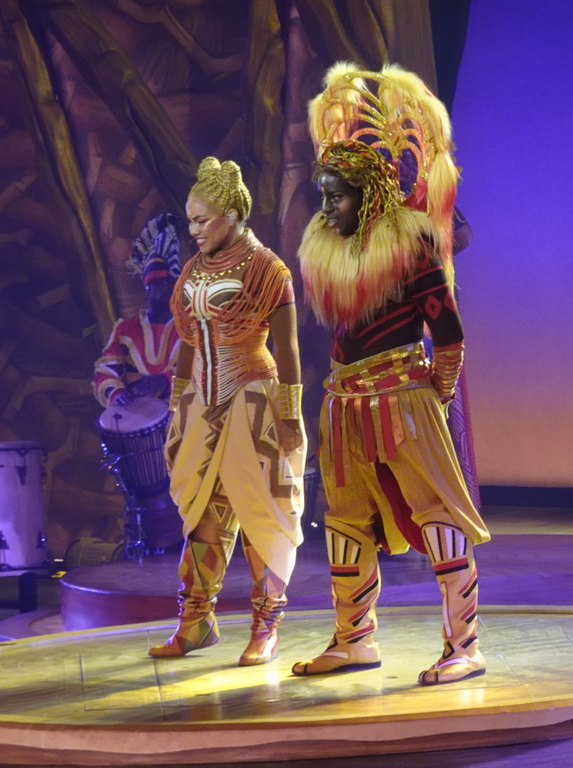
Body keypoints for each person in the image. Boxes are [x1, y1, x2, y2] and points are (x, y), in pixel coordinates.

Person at [291, 64, 490, 686]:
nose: (327, 208)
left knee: (436, 516)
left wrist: (438, 393)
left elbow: (449, 333)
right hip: (343, 406)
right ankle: (355, 639)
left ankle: (465, 646)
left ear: (369, 194)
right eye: (323, 195)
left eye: (337, 196)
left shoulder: (413, 246)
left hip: (402, 403)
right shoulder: (331, 251)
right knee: (345, 522)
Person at [150, 157, 305, 666]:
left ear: (235, 214)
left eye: (203, 220)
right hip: (202, 402)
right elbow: (189, 343)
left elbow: (288, 349)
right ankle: (196, 622)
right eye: (190, 221)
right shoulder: (194, 270)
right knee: (202, 514)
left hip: (253, 398)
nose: (193, 230)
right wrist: (177, 404)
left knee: (262, 516)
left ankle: (265, 627)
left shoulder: (268, 269)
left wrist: (290, 414)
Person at [93, 213, 183, 409]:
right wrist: (116, 393)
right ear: (148, 288)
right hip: (137, 419)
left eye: (170, 284)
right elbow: (105, 372)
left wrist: (165, 380)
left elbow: (211, 371)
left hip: (186, 423)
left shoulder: (194, 327)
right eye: (159, 285)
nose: (165, 290)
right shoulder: (125, 329)